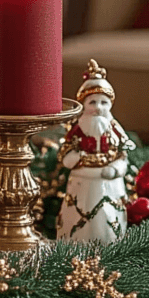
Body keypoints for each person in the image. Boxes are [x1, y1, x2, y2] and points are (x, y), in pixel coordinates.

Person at [56, 59, 132, 245]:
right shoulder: (77, 129)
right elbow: (66, 152)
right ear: (84, 104)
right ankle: (73, 243)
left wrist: (115, 169)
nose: (99, 107)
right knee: (80, 215)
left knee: (108, 217)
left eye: (104, 103)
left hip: (109, 181)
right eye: (93, 102)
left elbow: (123, 154)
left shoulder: (114, 130)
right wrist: (75, 158)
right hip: (83, 180)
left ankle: (113, 243)